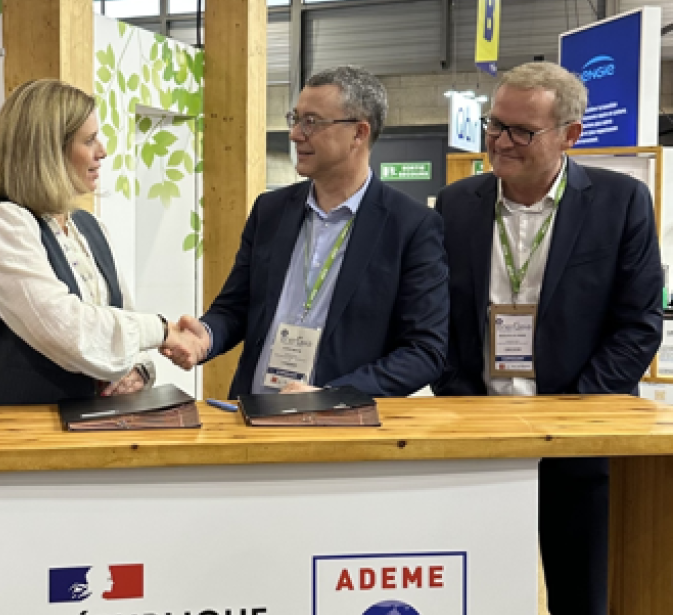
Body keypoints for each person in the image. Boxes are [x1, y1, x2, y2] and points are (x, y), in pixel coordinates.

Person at [432, 61, 663, 615]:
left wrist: (574, 414)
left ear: (570, 135)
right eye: (495, 124)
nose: (500, 141)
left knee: (582, 594)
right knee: (475, 593)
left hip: (582, 439)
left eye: (520, 131)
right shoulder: (457, 204)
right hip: (478, 436)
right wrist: (464, 405)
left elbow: (637, 326)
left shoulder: (620, 202)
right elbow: (436, 321)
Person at [173, 65, 449, 398]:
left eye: (312, 122)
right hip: (253, 417)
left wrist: (330, 396)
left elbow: (423, 352)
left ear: (359, 134)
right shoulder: (270, 211)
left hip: (338, 431)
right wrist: (206, 336)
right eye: (296, 118)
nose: (295, 134)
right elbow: (235, 307)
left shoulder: (410, 226)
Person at [0, 78, 206, 409]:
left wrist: (139, 372)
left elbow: (122, 323)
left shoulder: (89, 227)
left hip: (94, 432)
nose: (102, 151)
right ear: (48, 151)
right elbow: (69, 330)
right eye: (89, 140)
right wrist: (162, 330)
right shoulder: (1, 224)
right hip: (24, 436)